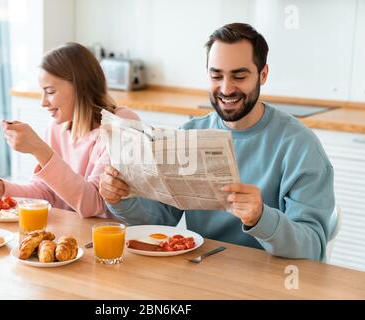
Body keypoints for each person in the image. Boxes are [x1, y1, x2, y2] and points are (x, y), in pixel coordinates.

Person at [99, 23, 335, 261]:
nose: (226, 88)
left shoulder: (300, 146)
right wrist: (119, 199)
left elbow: (313, 248)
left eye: (239, 76)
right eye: (216, 75)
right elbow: (162, 221)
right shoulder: (189, 133)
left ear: (263, 75)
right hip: (204, 271)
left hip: (274, 282)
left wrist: (261, 218)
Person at [0, 42, 139, 218]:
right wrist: (0, 188)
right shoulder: (58, 127)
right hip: (72, 233)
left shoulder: (121, 124)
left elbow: (94, 204)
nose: (43, 102)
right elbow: (45, 194)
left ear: (80, 87)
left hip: (112, 238)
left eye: (50, 91)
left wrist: (39, 150)